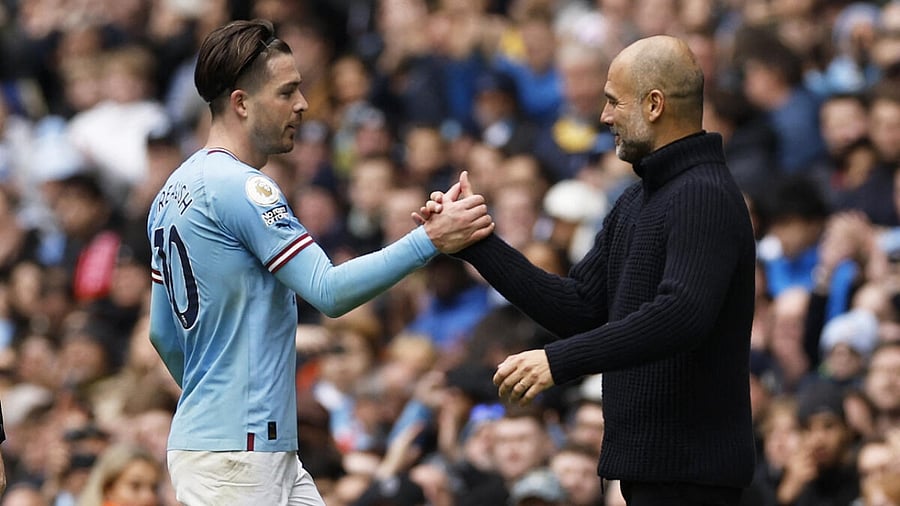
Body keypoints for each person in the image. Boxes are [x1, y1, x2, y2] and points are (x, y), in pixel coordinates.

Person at [146, 19, 493, 506]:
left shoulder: (169, 194)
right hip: (239, 457)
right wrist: (430, 240)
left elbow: (162, 333)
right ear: (242, 103)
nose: (303, 104)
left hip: (236, 447)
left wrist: (213, 402)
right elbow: (328, 291)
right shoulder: (245, 186)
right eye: (287, 92)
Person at [418, 35, 757, 505]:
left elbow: (682, 314)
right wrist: (477, 244)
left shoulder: (703, 194)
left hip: (690, 476)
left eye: (614, 101)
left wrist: (560, 361)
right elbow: (579, 306)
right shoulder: (638, 198)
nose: (604, 116)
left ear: (654, 104)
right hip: (651, 472)